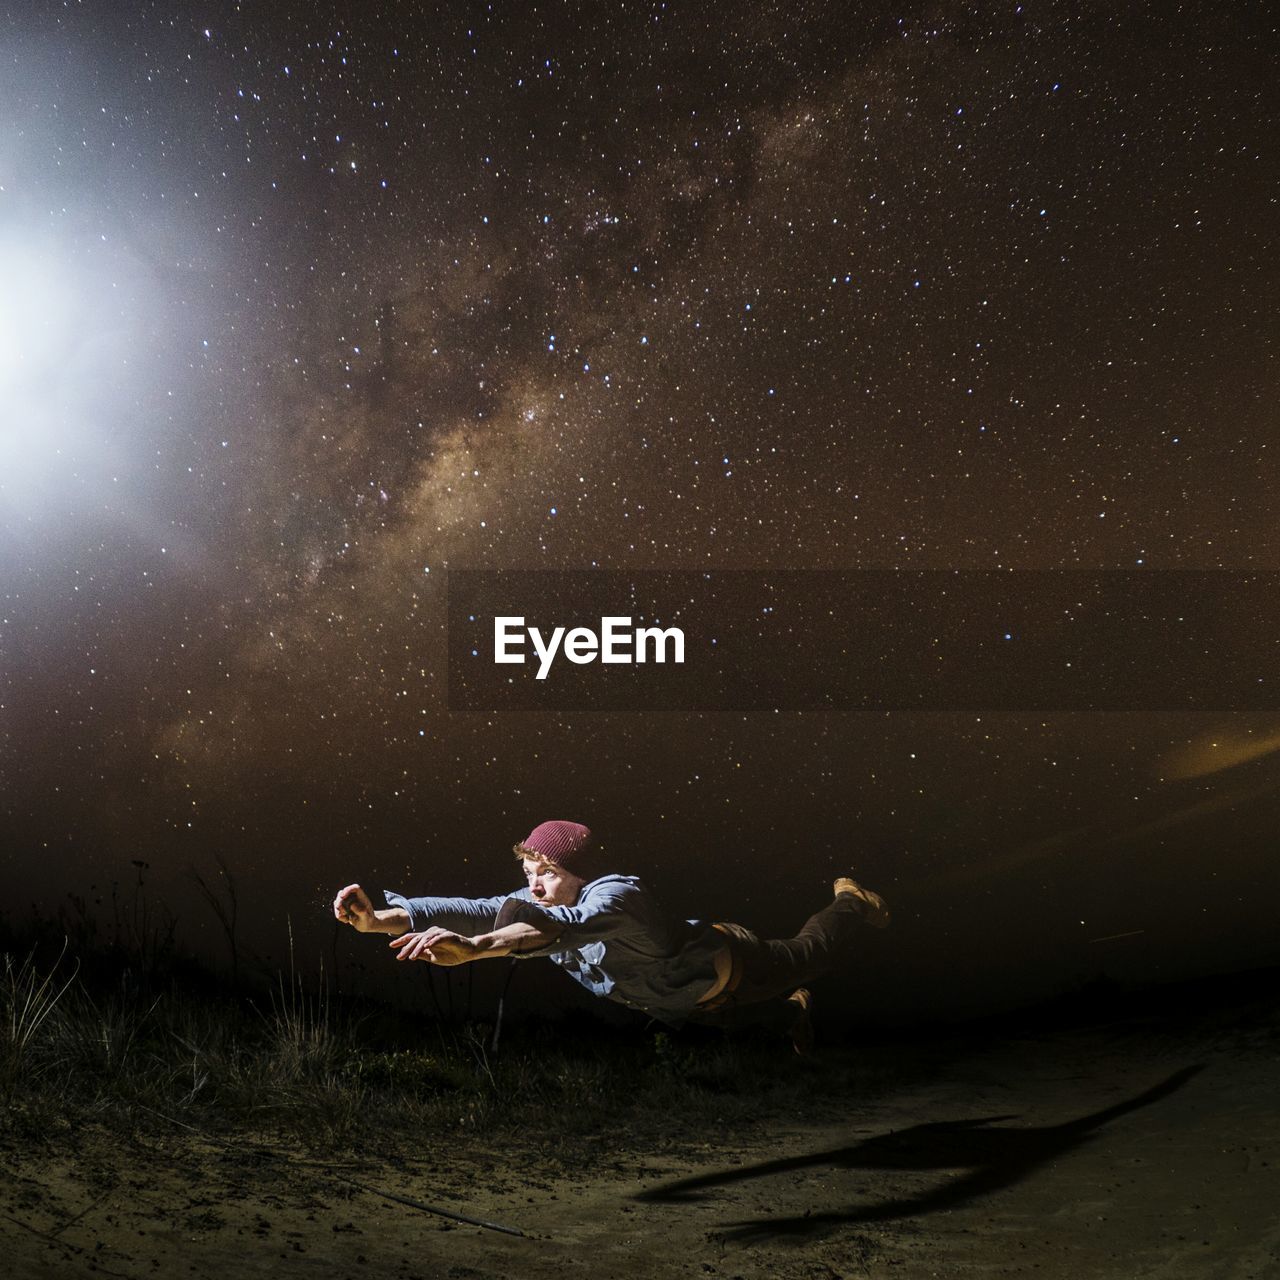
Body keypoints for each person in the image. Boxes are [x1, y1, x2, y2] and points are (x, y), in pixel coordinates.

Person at [332, 819, 889, 1053]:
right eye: (529, 875)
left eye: (547, 873)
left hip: (740, 961)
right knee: (746, 1021)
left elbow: (560, 929)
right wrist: (380, 919)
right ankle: (793, 1012)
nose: (535, 887)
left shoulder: (617, 898)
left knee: (814, 952)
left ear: (581, 871)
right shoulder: (541, 899)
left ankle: (848, 900)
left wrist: (478, 949)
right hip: (691, 1003)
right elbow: (477, 908)